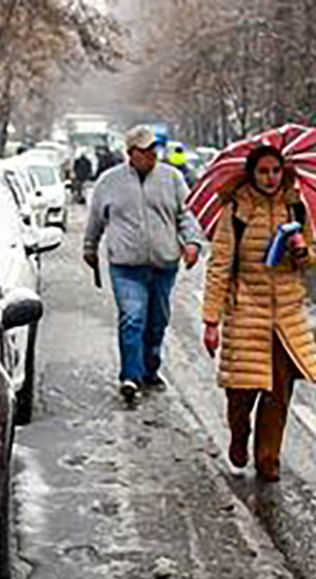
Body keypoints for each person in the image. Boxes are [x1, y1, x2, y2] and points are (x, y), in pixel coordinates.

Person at [201, 145, 316, 482]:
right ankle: (240, 434)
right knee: (240, 394)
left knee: (278, 393)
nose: (270, 178)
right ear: (252, 174)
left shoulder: (296, 208)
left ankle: (269, 458)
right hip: (245, 313)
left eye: (275, 171)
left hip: (286, 316)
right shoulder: (237, 209)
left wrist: (301, 252)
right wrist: (211, 321)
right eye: (263, 171)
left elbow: (311, 260)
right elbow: (220, 266)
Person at [84, 125, 203, 404]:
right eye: (145, 150)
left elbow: (186, 215)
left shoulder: (172, 178)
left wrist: (192, 243)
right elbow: (96, 220)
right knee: (132, 317)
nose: (151, 155)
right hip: (126, 265)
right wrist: (90, 247)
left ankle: (150, 368)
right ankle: (130, 377)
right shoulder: (109, 182)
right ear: (130, 153)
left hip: (164, 263)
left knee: (157, 321)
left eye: (153, 150)